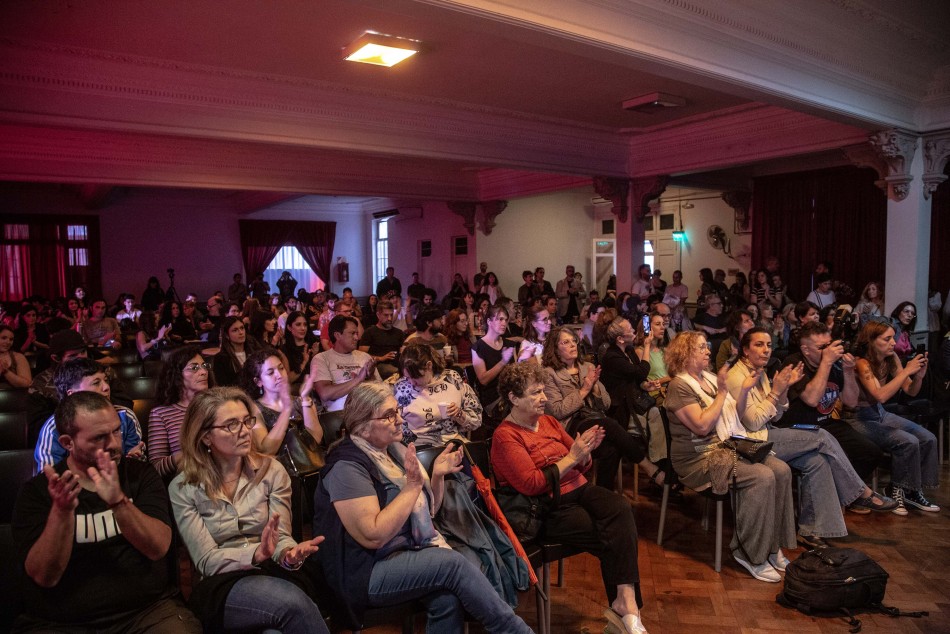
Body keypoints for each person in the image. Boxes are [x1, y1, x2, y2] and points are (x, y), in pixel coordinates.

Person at [312, 381, 533, 633]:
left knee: (447, 599)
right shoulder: (347, 467)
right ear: (362, 425)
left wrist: (436, 475)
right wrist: (412, 486)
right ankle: (515, 630)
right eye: (388, 415)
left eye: (397, 411)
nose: (399, 419)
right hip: (363, 571)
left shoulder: (391, 449)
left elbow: (429, 513)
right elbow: (372, 535)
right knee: (451, 563)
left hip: (404, 552)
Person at [12, 391, 201, 632]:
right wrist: (61, 512)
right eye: (99, 437)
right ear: (68, 443)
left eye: (116, 431)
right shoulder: (38, 492)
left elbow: (158, 548)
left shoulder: (139, 475)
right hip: (62, 621)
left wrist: (118, 502)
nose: (114, 444)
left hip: (145, 612)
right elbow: (44, 576)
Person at [491, 363, 648, 634]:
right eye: (535, 393)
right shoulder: (505, 436)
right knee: (613, 534)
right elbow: (532, 483)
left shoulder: (549, 422)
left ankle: (626, 604)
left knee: (620, 507)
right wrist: (573, 456)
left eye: (543, 391)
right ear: (513, 399)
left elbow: (580, 465)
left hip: (578, 489)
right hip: (545, 507)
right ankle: (627, 610)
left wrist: (585, 453)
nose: (544, 398)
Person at [169, 387, 329, 633]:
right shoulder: (183, 488)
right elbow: (206, 561)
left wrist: (288, 553)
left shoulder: (272, 471)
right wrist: (255, 553)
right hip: (221, 583)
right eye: (231, 425)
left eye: (247, 421)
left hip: (274, 570)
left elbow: (282, 535)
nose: (245, 431)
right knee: (292, 603)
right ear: (205, 436)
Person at [726, 328, 896, 548]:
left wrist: (783, 389)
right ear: (745, 351)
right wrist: (776, 392)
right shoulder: (737, 376)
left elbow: (777, 414)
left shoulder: (759, 372)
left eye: (769, 345)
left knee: (817, 461)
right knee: (822, 437)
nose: (766, 350)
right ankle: (860, 492)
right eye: (759, 345)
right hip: (750, 441)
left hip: (767, 431)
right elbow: (753, 423)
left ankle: (812, 530)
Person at [663, 331, 796, 583]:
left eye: (706, 347)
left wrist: (743, 391)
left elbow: (733, 417)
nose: (708, 351)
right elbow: (702, 427)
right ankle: (749, 552)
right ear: (685, 353)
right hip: (698, 460)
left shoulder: (710, 379)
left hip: (727, 447)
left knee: (781, 469)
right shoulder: (679, 386)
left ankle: (771, 545)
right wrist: (723, 392)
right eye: (701, 347)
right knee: (761, 476)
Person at [779, 322, 885, 508]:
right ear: (805, 349)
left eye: (829, 345)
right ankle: (847, 497)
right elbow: (811, 399)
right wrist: (827, 363)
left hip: (827, 424)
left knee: (871, 452)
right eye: (821, 347)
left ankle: (843, 496)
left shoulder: (834, 364)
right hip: (799, 428)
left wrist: (848, 371)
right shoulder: (794, 363)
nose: (828, 351)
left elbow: (851, 402)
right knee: (823, 460)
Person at [543, 325, 662, 490]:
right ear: (555, 349)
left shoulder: (587, 367)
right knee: (610, 424)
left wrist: (596, 389)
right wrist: (584, 390)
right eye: (566, 342)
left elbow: (606, 404)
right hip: (569, 427)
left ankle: (603, 493)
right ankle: (647, 466)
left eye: (573, 341)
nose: (572, 345)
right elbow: (557, 411)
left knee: (612, 449)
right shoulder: (549, 374)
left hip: (594, 419)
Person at [853, 321, 939, 515]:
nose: (893, 342)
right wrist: (907, 371)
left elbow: (910, 390)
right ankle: (895, 489)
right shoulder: (862, 363)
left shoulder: (891, 359)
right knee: (907, 441)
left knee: (928, 438)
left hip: (879, 413)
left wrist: (917, 377)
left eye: (893, 337)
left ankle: (913, 491)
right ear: (871, 341)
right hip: (859, 417)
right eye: (887, 338)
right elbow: (880, 395)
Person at [34, 358, 145, 474]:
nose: (106, 387)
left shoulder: (125, 417)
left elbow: (132, 465)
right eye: (96, 383)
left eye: (106, 380)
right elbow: (49, 479)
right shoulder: (54, 428)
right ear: (72, 394)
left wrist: (134, 461)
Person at [394, 343, 482, 446]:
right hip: (418, 446)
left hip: (452, 441)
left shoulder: (452, 379)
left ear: (429, 366)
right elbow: (395, 427)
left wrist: (459, 414)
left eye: (416, 377)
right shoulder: (401, 388)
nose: (412, 383)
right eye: (408, 377)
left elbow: (476, 421)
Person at [149, 345, 213, 478]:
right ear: (177, 375)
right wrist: (192, 454)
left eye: (204, 366)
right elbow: (156, 466)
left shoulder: (216, 405)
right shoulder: (161, 413)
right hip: (189, 480)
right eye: (194, 367)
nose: (203, 372)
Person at [242, 349, 322, 453]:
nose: (279, 375)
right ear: (258, 381)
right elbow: (266, 451)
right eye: (270, 373)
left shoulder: (301, 401)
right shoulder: (255, 409)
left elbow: (316, 440)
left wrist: (305, 398)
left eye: (281, 368)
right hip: (280, 466)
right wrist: (286, 409)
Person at [312, 315, 380, 413]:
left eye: (357, 333)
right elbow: (325, 393)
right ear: (337, 335)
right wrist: (358, 380)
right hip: (338, 415)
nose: (357, 338)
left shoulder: (365, 357)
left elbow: (379, 389)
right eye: (352, 333)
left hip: (367, 409)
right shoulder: (321, 359)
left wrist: (369, 378)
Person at [471, 304, 517, 413]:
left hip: (512, 393)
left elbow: (515, 374)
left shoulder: (509, 344)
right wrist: (503, 362)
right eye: (500, 319)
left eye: (506, 320)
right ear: (489, 321)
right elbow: (483, 380)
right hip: (493, 398)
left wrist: (522, 360)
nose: (504, 323)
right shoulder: (478, 347)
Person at [358, 299, 406, 379]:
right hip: (378, 366)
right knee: (393, 371)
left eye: (391, 315)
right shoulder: (370, 332)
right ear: (378, 315)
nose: (390, 318)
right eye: (386, 315)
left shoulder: (399, 333)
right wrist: (381, 358)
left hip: (397, 365)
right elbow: (361, 356)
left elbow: (402, 353)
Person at [212, 316, 259, 387]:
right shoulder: (220, 358)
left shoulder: (255, 352)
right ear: (227, 335)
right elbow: (224, 386)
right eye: (235, 330)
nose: (241, 332)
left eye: (242, 328)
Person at [281, 310, 317, 384]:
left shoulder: (314, 345)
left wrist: (315, 356)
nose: (303, 328)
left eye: (305, 324)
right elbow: (287, 380)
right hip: (296, 391)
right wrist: (303, 363)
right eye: (298, 325)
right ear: (289, 327)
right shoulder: (284, 350)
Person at [0, 323, 32, 389]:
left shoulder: (18, 357)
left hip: (14, 397)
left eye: (11, 339)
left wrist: (6, 372)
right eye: (4, 338)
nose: (8, 342)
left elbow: (27, 384)